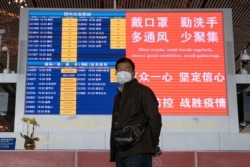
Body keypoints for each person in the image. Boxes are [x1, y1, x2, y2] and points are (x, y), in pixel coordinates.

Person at [110, 57, 162, 167]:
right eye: (119, 70)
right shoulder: (118, 96)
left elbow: (154, 119)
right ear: (115, 73)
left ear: (133, 73)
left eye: (127, 69)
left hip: (138, 150)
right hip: (121, 151)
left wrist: (152, 143)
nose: (123, 72)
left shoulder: (143, 91)